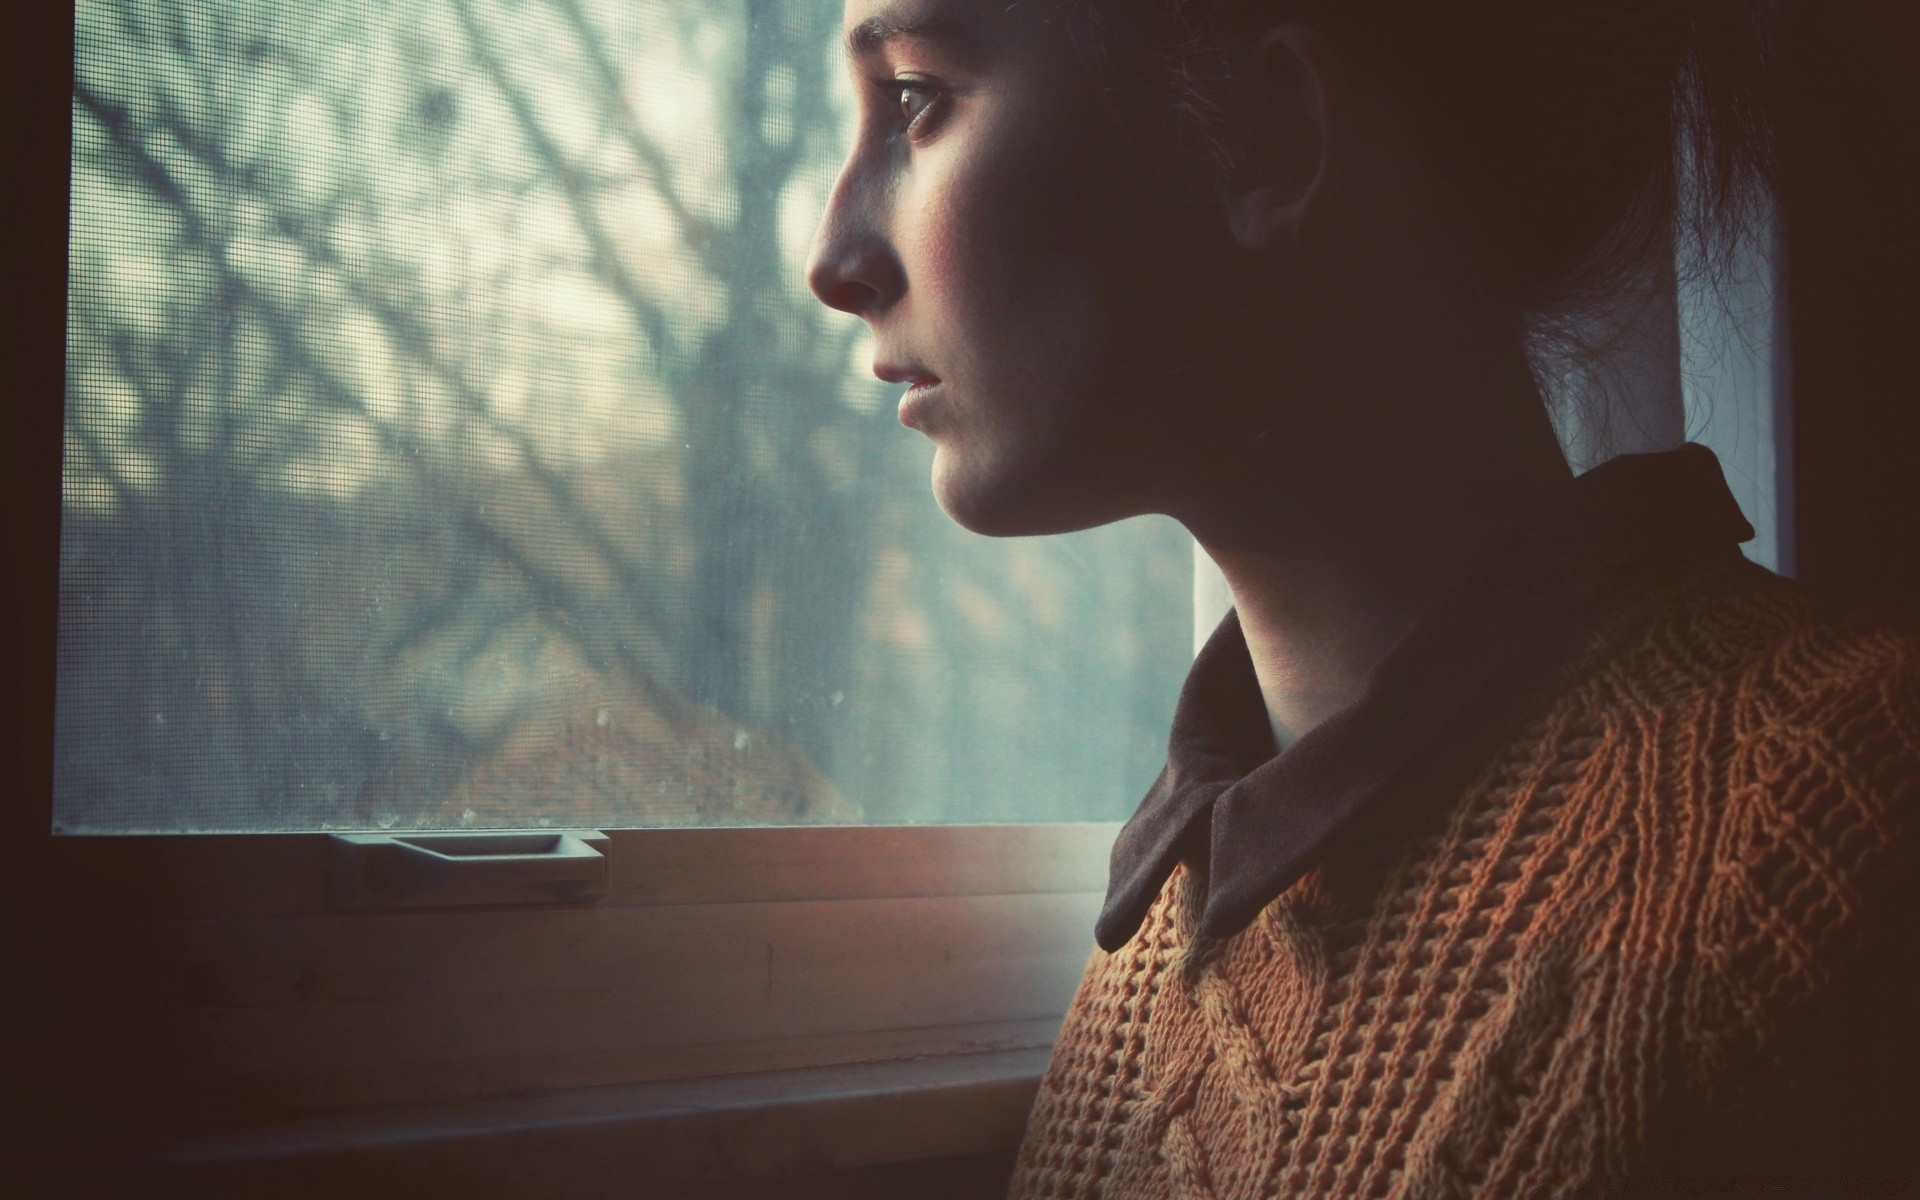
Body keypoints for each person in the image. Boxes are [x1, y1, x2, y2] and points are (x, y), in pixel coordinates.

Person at [805, 0, 1920, 1195]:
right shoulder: (1143, 969)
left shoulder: (1847, 818)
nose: (833, 261)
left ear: (1268, 134)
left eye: (919, 99)